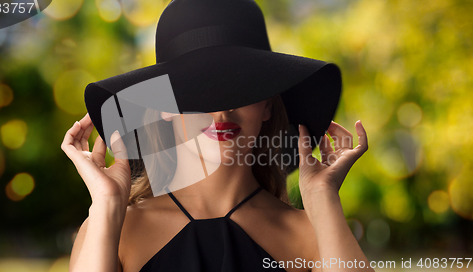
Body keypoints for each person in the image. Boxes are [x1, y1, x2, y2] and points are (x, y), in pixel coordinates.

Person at [61, 0, 374, 271]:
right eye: (198, 91)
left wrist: (323, 199)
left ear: (267, 104)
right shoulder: (113, 229)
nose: (221, 111)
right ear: (165, 107)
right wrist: (106, 204)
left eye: (240, 87)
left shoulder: (311, 235)